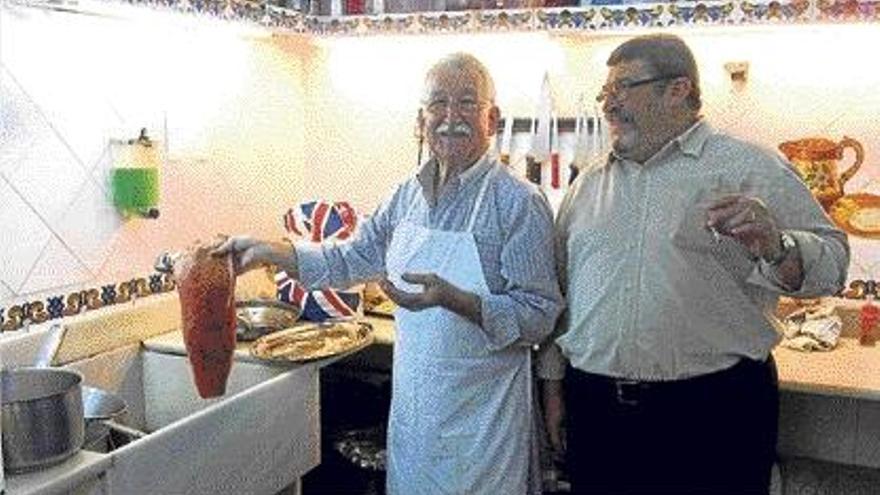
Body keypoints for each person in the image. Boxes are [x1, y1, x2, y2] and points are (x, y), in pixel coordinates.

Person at [215, 52, 563, 495]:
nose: (450, 116)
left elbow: (538, 314)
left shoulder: (517, 202)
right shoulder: (406, 195)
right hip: (416, 421)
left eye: (467, 103)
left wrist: (457, 300)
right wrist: (270, 252)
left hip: (484, 426)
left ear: (491, 119)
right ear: (422, 119)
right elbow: (350, 259)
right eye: (438, 103)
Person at [537, 34, 849, 495]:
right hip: (597, 409)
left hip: (712, 411)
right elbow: (563, 296)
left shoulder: (748, 167)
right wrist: (552, 385)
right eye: (606, 92)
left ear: (678, 89)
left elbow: (834, 264)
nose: (609, 104)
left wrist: (777, 244)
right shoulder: (589, 186)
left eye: (623, 87)